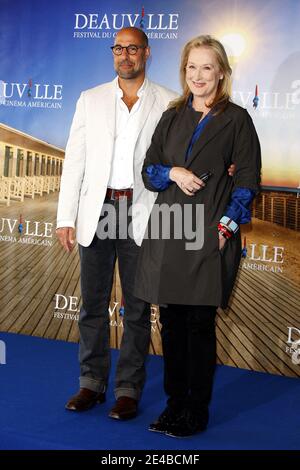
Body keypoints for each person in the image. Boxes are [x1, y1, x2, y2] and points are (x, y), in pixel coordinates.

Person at [134, 35, 261, 437]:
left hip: (209, 233)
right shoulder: (171, 116)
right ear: (183, 71)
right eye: (192, 67)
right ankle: (174, 405)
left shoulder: (237, 118)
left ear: (221, 72)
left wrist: (226, 228)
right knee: (170, 323)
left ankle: (196, 410)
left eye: (207, 67)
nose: (198, 75)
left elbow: (246, 179)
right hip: (169, 230)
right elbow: (150, 170)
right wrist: (173, 172)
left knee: (198, 325)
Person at [56, 27, 178, 420]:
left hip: (141, 212)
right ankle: (90, 384)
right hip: (98, 209)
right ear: (113, 54)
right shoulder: (89, 99)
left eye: (133, 49)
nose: (125, 55)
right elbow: (74, 160)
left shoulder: (169, 102)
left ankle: (128, 390)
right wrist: (64, 217)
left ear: (147, 52)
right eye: (118, 49)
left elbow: (178, 159)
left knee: (138, 309)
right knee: (92, 304)